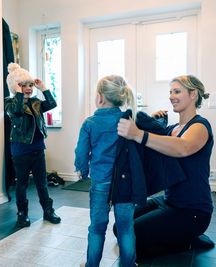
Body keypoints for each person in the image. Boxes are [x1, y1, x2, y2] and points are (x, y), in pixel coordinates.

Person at [117, 74, 214, 258]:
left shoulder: (200, 126)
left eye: (177, 91)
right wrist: (150, 122)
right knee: (120, 227)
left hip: (193, 211)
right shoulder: (172, 128)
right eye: (170, 92)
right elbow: (160, 143)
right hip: (169, 201)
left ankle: (189, 240)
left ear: (193, 94)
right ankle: (178, 236)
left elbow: (182, 148)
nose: (171, 96)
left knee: (134, 238)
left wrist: (139, 134)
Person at [75, 75, 137, 267]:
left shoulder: (90, 123)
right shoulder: (128, 120)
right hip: (125, 182)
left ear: (100, 97)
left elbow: (81, 153)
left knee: (97, 228)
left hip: (101, 181)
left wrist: (83, 171)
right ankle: (128, 264)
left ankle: (91, 265)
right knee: (126, 228)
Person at [5, 63, 61, 228]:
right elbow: (17, 111)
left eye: (30, 85)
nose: (28, 88)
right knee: (22, 184)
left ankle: (48, 211)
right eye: (23, 85)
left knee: (42, 182)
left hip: (38, 149)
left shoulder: (36, 102)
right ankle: (22, 214)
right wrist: (19, 93)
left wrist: (43, 88)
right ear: (15, 87)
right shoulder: (10, 103)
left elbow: (51, 105)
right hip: (20, 150)